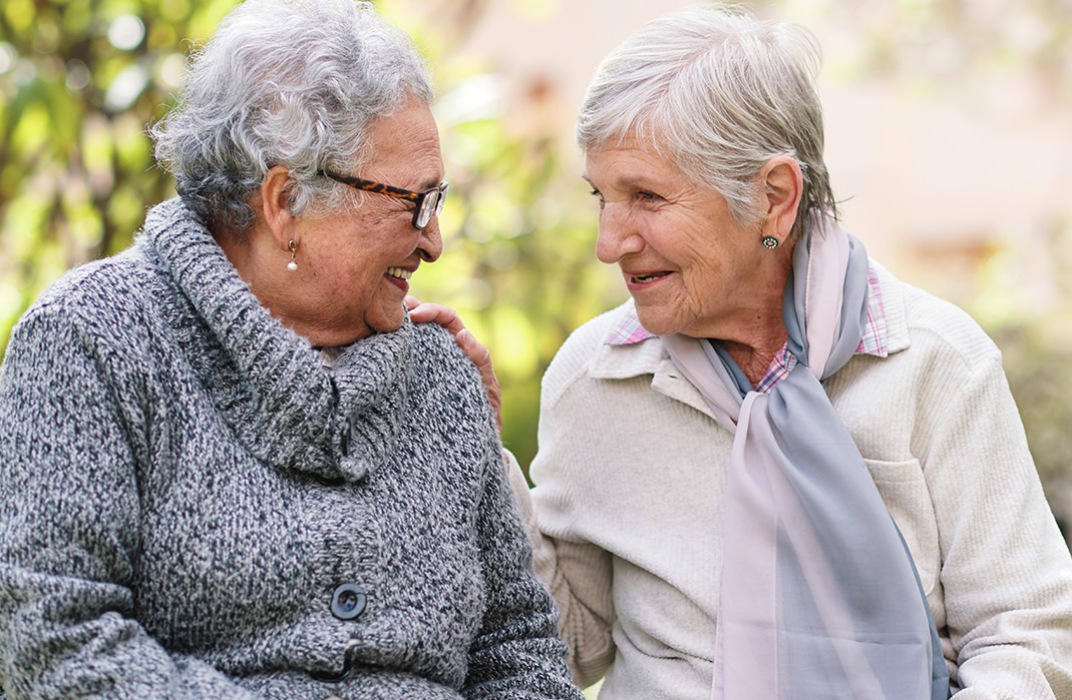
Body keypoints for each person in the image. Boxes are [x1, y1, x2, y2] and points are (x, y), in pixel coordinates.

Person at [413, 5, 1072, 699]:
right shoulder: (596, 378)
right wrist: (481, 456)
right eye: (601, 196)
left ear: (774, 198)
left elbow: (1028, 634)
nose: (609, 243)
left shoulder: (936, 364)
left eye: (647, 196)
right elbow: (569, 646)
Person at [0, 1, 585, 698]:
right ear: (284, 202)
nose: (433, 241)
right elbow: (52, 640)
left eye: (439, 200)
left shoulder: (439, 373)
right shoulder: (91, 340)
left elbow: (521, 651)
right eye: (413, 202)